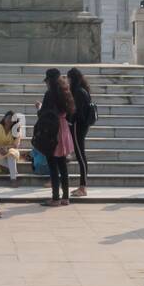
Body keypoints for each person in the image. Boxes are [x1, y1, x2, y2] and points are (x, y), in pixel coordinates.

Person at [37, 69, 77, 206]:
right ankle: (65, 197)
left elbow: (43, 114)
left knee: (53, 166)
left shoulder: (49, 94)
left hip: (52, 131)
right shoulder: (66, 92)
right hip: (64, 128)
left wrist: (39, 108)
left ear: (49, 80)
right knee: (63, 165)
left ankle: (55, 198)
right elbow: (71, 112)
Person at [67, 68, 93, 197]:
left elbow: (76, 112)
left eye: (68, 78)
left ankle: (83, 187)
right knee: (80, 155)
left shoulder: (78, 92)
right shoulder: (83, 90)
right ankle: (82, 186)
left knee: (80, 156)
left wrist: (70, 121)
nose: (67, 81)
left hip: (78, 126)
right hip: (82, 126)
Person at [0, 110, 23, 179]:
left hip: (12, 150)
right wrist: (0, 149)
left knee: (11, 154)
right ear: (4, 118)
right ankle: (12, 169)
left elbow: (15, 145)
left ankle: (13, 179)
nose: (9, 120)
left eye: (12, 119)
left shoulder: (17, 129)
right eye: (8, 118)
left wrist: (6, 148)